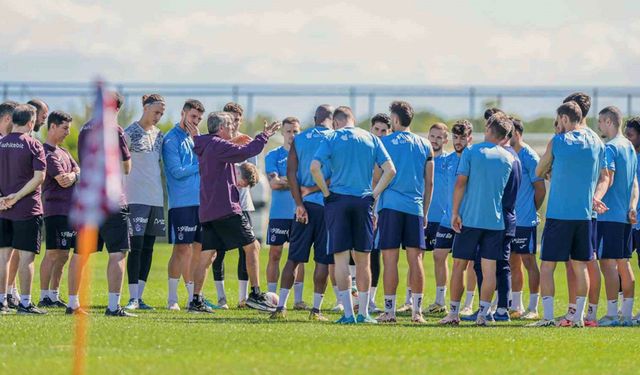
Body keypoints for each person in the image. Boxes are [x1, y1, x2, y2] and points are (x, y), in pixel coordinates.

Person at [311, 106, 396, 324]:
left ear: (336, 122)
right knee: (363, 260)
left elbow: (314, 167)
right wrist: (374, 195)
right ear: (353, 120)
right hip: (363, 201)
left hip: (337, 200)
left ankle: (348, 314)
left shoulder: (332, 136)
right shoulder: (370, 138)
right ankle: (364, 313)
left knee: (340, 259)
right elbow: (390, 170)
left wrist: (326, 192)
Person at [189, 111, 281, 313]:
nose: (233, 128)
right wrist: (264, 135)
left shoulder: (205, 143)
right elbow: (247, 152)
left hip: (208, 210)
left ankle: (195, 300)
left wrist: (236, 141)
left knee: (207, 256)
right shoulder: (219, 145)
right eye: (230, 125)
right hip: (225, 208)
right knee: (253, 246)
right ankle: (256, 295)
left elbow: (228, 149)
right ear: (221, 128)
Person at [529, 101, 608, 328]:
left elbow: (538, 170)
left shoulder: (558, 141)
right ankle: (579, 317)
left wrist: (552, 170)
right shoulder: (596, 142)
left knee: (548, 266)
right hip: (584, 214)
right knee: (580, 265)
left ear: (564, 119)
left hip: (559, 213)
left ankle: (547, 317)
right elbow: (599, 175)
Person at [439, 114, 514, 326]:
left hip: (469, 219)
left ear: (489, 129)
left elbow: (461, 183)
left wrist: (454, 212)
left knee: (459, 266)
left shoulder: (471, 151)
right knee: (489, 270)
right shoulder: (509, 157)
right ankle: (483, 314)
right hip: (495, 222)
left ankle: (453, 313)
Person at [69, 92, 134, 317]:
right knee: (118, 253)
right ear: (116, 108)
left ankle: (72, 303)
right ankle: (113, 306)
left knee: (80, 254)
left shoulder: (85, 128)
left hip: (87, 199)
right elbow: (126, 167)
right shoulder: (115, 130)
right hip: (111, 200)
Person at [270, 105, 335, 321]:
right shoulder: (336, 138)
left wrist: (299, 203)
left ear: (315, 118)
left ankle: (281, 308)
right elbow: (337, 176)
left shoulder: (301, 138)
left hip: (303, 207)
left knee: (294, 259)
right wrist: (317, 189)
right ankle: (315, 311)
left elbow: (290, 173)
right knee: (322, 261)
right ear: (332, 119)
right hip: (327, 207)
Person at [376, 101, 433, 324]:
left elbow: (376, 176)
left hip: (390, 206)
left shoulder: (384, 142)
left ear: (396, 120)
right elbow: (430, 182)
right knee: (416, 259)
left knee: (389, 260)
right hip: (415, 208)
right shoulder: (425, 145)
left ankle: (389, 312)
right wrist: (425, 211)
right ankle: (417, 312)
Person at [0, 104, 46, 314]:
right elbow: (40, 178)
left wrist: (3, 198)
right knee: (26, 258)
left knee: (3, 258)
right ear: (30, 123)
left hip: (2, 209)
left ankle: (2, 301)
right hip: (27, 209)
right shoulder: (34, 144)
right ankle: (25, 303)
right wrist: (17, 197)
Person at [595, 106, 638, 326]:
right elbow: (634, 183)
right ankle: (627, 315)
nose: (599, 126)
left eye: (601, 122)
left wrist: (595, 198)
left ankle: (612, 314)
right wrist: (632, 206)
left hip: (608, 215)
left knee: (608, 265)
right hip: (624, 216)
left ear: (609, 122)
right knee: (624, 264)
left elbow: (607, 178)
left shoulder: (609, 148)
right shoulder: (629, 147)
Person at [124, 94, 166, 311]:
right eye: (156, 112)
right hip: (135, 198)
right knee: (136, 247)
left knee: (149, 247)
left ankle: (139, 297)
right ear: (145, 108)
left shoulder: (160, 136)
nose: (158, 116)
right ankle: (131, 297)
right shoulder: (128, 133)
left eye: (161, 113)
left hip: (155, 198)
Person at [211, 102, 255, 309]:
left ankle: (243, 298)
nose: (233, 122)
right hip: (222, 204)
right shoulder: (216, 142)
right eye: (230, 119)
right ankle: (221, 298)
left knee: (246, 250)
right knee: (216, 252)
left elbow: (252, 172)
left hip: (243, 204)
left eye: (237, 119)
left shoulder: (248, 142)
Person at [431, 120, 476, 317]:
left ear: (470, 138)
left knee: (465, 262)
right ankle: (440, 300)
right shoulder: (447, 160)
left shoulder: (474, 159)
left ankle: (468, 303)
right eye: (456, 138)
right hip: (447, 218)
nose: (458, 141)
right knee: (438, 255)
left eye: (463, 138)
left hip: (467, 219)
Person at [163, 99, 205, 310]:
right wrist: (201, 162)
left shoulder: (196, 139)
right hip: (181, 204)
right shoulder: (171, 139)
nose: (195, 121)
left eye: (199, 118)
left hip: (201, 203)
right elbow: (176, 172)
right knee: (181, 249)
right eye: (192, 117)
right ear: (183, 113)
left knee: (198, 250)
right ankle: (172, 299)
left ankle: (193, 298)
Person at [265, 117, 308, 311]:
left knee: (298, 255)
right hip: (278, 213)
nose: (292, 135)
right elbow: (274, 183)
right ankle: (271, 298)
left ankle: (298, 300)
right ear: (282, 133)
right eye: (289, 131)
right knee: (275, 254)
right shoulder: (273, 155)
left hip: (300, 211)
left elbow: (306, 182)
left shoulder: (305, 156)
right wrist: (296, 183)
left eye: (296, 131)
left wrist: (286, 181)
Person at [38, 111, 78, 309]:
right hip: (55, 209)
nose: (67, 133)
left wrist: (74, 176)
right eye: (64, 128)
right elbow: (63, 180)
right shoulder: (46, 153)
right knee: (53, 253)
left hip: (70, 210)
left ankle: (54, 295)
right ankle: (44, 295)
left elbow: (78, 172)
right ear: (52, 126)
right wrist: (72, 175)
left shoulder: (64, 152)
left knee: (64, 254)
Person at [509, 118, 545, 319]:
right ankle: (517, 305)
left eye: (510, 132)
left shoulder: (529, 156)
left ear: (517, 133)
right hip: (510, 220)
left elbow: (540, 189)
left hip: (525, 220)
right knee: (512, 261)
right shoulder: (508, 153)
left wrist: (531, 210)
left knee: (529, 261)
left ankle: (533, 307)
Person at [424, 122, 450, 314]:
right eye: (432, 136)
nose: (435, 140)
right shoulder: (423, 160)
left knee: (440, 258)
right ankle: (410, 300)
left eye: (439, 137)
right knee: (414, 257)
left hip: (443, 219)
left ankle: (440, 301)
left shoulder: (450, 161)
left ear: (445, 140)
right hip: (423, 216)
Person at [368, 113, 391, 313]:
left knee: (375, 253)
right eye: (377, 129)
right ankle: (348, 297)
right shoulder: (365, 147)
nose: (380, 134)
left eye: (384, 130)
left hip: (381, 208)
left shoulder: (390, 153)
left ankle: (371, 299)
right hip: (361, 204)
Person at [0, 100, 21, 309]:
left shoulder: (8, 143)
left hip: (8, 207)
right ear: (7, 119)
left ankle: (8, 293)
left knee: (8, 252)